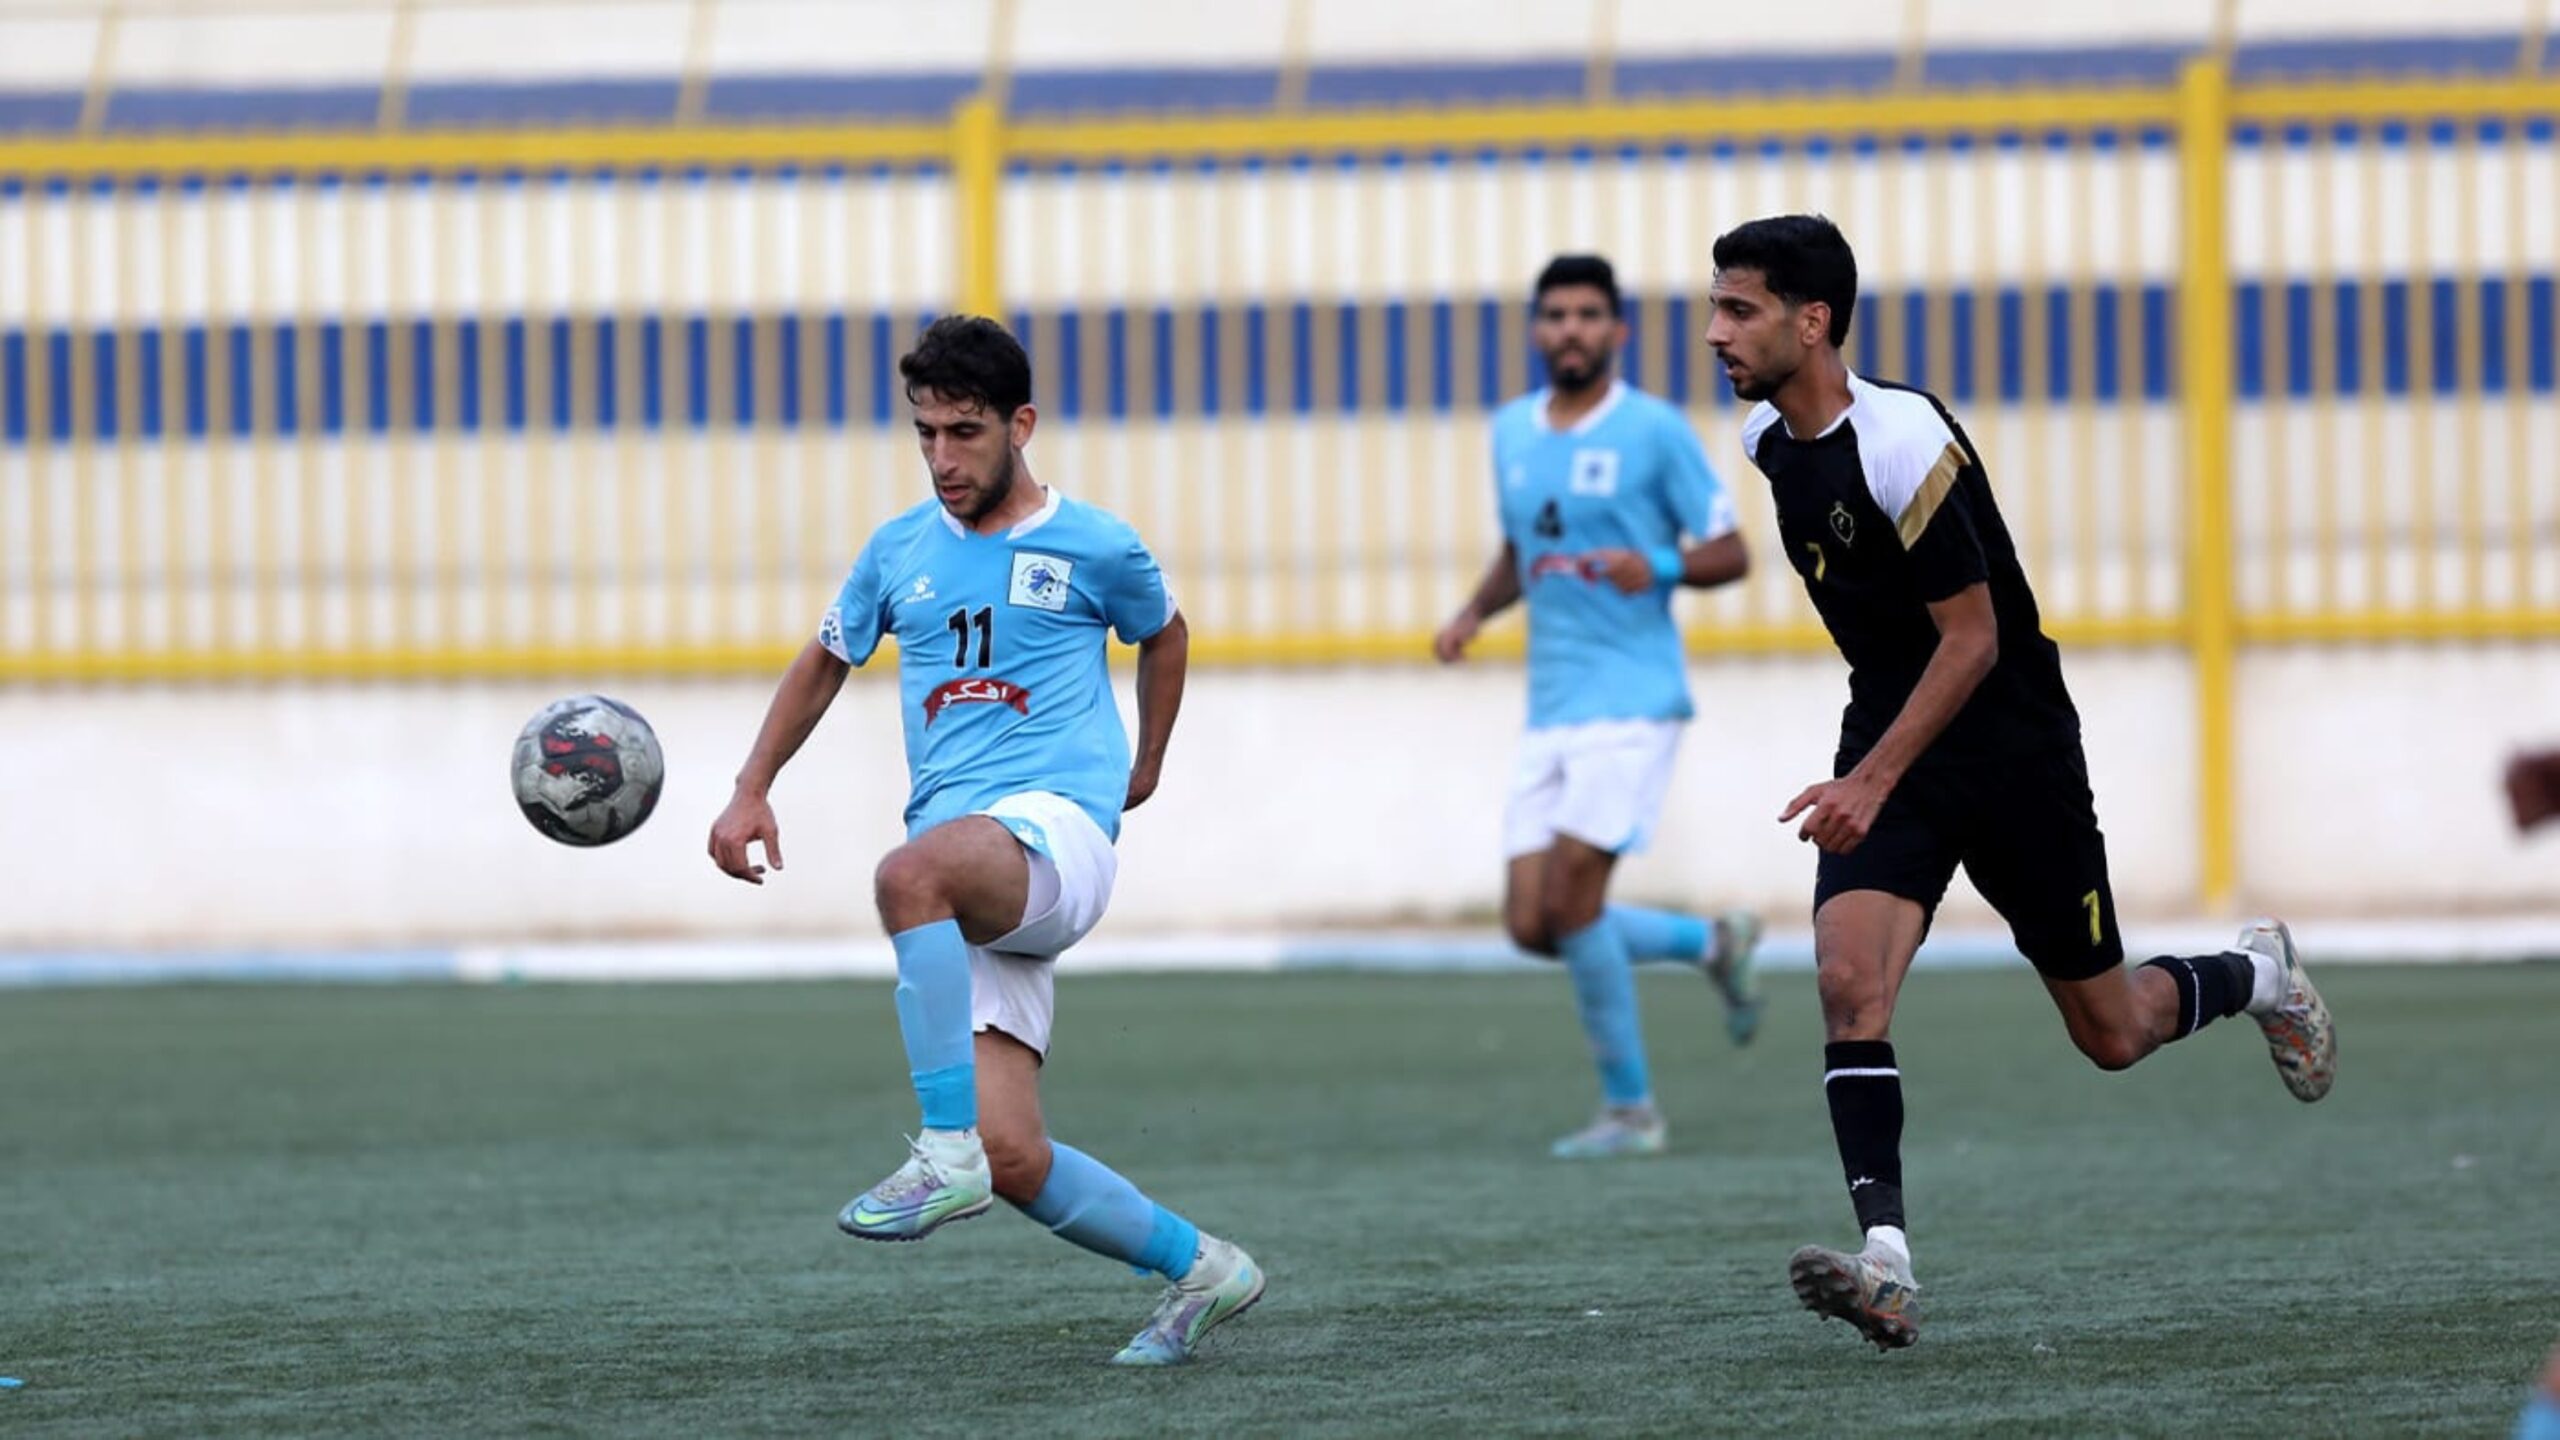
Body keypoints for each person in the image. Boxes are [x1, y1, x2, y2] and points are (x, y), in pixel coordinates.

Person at [1702, 214, 2337, 1349]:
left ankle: (2255, 975)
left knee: (2109, 1031)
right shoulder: (1764, 439)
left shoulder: (1902, 440)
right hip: (1893, 732)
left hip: (2008, 742)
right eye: (1714, 306)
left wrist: (1868, 780)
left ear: (1813, 321)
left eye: (1737, 309)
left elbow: (1973, 641)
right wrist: (1879, 771)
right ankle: (1885, 1262)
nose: (1714, 331)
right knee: (1849, 983)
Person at [707, 315, 1261, 1367]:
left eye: (963, 433)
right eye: (924, 434)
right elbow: (826, 660)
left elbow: (1166, 631)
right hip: (973, 867)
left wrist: (1145, 763)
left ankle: (940, 1151)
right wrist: (749, 788)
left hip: (1053, 836)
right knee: (1018, 1157)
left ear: (1022, 424)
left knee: (904, 874)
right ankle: (1205, 1270)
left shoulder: (1095, 541)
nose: (942, 458)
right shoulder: (898, 550)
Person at [1434, 253, 1764, 1159]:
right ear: (1538, 331)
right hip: (1553, 708)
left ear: (1615, 332)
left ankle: (1631, 1111)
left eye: (1587, 315)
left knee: (1575, 898)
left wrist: (1656, 565)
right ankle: (1712, 943)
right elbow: (1521, 550)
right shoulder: (1511, 431)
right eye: (1555, 316)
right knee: (1534, 923)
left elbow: (1732, 553)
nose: (1570, 330)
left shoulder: (1654, 432)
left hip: (1634, 700)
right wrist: (1473, 610)